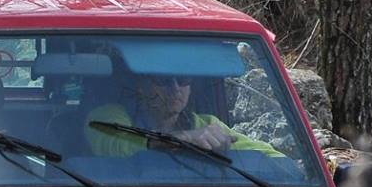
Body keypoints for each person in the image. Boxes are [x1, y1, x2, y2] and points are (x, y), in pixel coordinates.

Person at [86, 70, 284, 159]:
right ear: (142, 86)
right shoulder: (106, 116)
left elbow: (268, 154)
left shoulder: (205, 123)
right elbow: (120, 146)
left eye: (183, 79)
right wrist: (187, 139)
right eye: (163, 80)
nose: (175, 89)